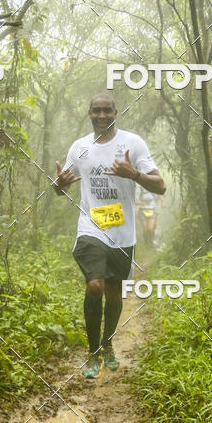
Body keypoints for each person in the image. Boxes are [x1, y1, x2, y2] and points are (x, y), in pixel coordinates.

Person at [53, 93, 166, 378]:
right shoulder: (79, 148)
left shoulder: (133, 143)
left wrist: (134, 175)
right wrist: (60, 184)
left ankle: (108, 344)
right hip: (91, 227)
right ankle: (92, 352)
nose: (102, 115)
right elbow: (60, 187)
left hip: (122, 232)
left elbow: (161, 186)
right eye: (96, 111)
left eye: (107, 110)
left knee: (115, 294)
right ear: (89, 113)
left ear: (116, 112)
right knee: (95, 286)